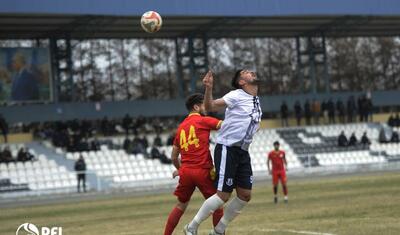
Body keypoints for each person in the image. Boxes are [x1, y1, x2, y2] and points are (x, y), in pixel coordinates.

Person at [185, 69, 262, 235]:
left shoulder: (255, 99)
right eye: (246, 72)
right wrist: (208, 88)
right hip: (228, 148)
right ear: (241, 82)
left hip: (242, 151)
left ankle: (219, 230)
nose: (251, 72)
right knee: (223, 195)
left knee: (245, 195)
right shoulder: (236, 95)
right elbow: (209, 106)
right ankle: (191, 227)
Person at [164, 93, 223, 235]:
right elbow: (225, 126)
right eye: (204, 105)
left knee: (181, 205)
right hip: (202, 170)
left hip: (186, 173)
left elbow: (173, 157)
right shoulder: (203, 121)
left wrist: (181, 170)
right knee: (218, 204)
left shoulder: (180, 128)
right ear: (196, 107)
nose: (206, 108)